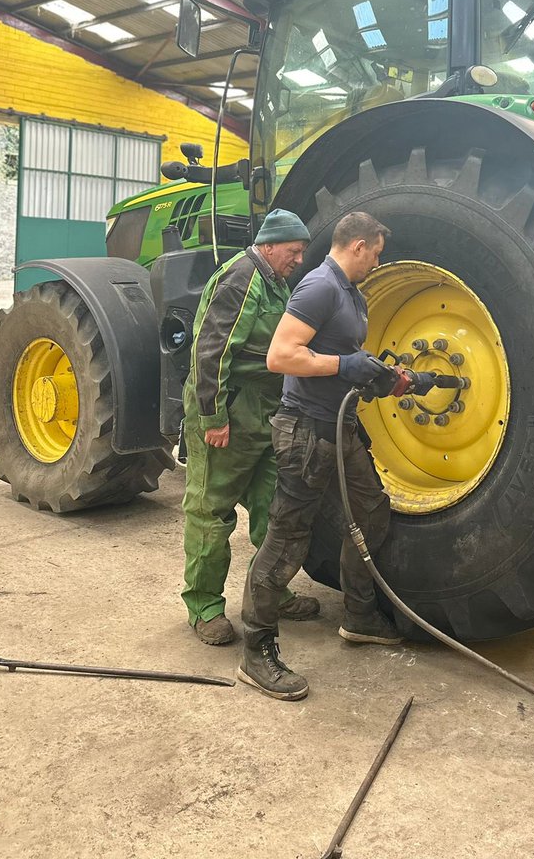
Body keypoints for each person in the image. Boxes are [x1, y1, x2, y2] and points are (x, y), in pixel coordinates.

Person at [237, 211, 401, 699]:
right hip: (306, 431)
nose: (377, 261)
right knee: (288, 540)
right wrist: (342, 365)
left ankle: (359, 614)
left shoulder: (351, 293)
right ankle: (257, 650)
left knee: (370, 510)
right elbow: (280, 356)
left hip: (340, 428)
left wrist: (376, 377)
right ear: (357, 246)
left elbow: (341, 364)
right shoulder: (320, 286)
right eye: (376, 252)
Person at [181, 208, 321, 644]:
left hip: (264, 412)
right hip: (229, 411)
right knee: (211, 512)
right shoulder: (242, 278)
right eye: (294, 251)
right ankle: (204, 607)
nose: (298, 259)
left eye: (301, 252)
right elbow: (212, 351)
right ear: (269, 245)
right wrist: (213, 418)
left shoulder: (276, 282)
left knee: (273, 510)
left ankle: (268, 595)